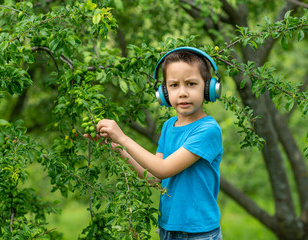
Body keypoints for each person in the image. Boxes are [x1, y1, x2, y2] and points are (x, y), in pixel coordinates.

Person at [85, 47, 223, 240]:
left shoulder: (208, 130)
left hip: (198, 232)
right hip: (168, 229)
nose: (182, 93)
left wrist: (123, 137)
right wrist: (116, 147)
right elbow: (152, 177)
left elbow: (163, 169)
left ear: (209, 88)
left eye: (191, 84)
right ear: (164, 93)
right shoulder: (169, 126)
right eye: (174, 85)